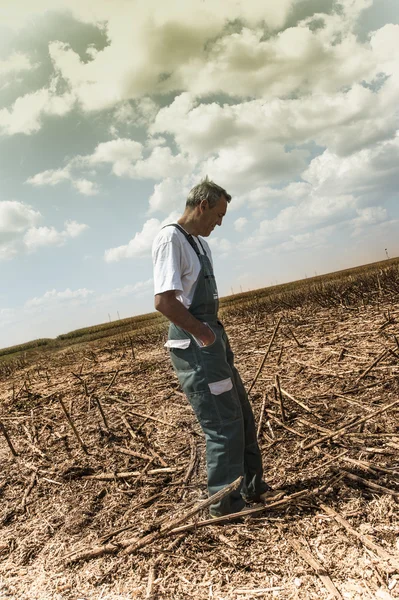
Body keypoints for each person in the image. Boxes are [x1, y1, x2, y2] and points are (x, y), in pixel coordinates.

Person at [151, 177, 276, 517]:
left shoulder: (199, 243)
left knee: (242, 415)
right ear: (202, 205)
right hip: (197, 348)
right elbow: (164, 301)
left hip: (213, 340)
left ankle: (252, 487)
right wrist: (202, 334)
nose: (219, 223)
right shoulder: (170, 239)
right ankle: (225, 506)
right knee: (223, 424)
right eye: (218, 215)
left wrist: (213, 335)